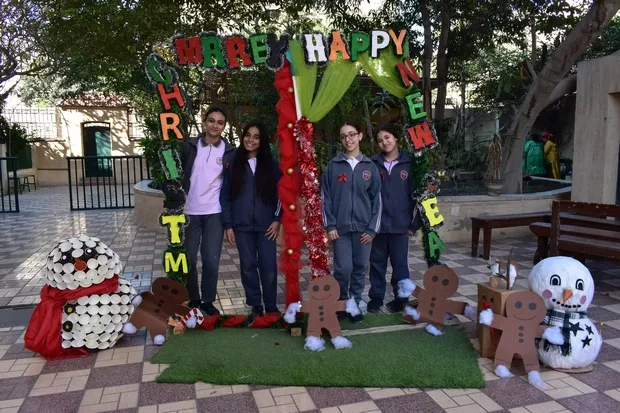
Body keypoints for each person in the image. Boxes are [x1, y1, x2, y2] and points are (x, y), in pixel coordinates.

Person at [321, 122, 382, 323]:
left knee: (360, 268)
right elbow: (325, 197)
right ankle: (341, 302)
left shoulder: (370, 167)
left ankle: (354, 304)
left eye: (352, 134)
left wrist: (372, 229)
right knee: (343, 269)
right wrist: (330, 225)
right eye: (343, 136)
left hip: (364, 230)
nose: (348, 139)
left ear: (360, 136)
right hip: (340, 230)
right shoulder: (333, 165)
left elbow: (377, 201)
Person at [220, 122, 282, 316]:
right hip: (241, 226)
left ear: (262, 140)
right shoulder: (233, 162)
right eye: (248, 135)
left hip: (267, 226)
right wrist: (228, 225)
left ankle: (271, 306)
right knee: (248, 266)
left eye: (256, 137)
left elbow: (281, 193)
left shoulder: (271, 164)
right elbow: (225, 195)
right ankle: (255, 305)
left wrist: (277, 219)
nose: (251, 140)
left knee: (269, 267)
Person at [181, 107, 235, 316]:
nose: (215, 125)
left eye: (220, 122)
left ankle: (208, 300)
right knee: (189, 259)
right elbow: (176, 172)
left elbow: (231, 185)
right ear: (204, 122)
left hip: (214, 211)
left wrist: (230, 221)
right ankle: (193, 298)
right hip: (189, 211)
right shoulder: (189, 146)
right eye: (211, 120)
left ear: (224, 126)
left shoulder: (229, 152)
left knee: (211, 260)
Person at [368, 124, 421, 313]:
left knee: (400, 265)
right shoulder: (373, 164)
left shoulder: (410, 163)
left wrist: (414, 224)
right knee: (376, 263)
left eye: (387, 137)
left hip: (401, 225)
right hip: (378, 226)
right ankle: (376, 297)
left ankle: (401, 298)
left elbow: (418, 196)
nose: (384, 142)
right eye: (380, 140)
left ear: (396, 137)